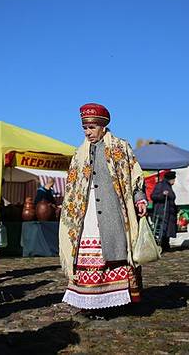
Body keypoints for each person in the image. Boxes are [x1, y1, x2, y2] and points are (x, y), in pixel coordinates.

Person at [59, 103, 147, 315]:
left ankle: (117, 300)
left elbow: (134, 177)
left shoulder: (120, 148)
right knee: (86, 257)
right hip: (86, 214)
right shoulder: (79, 153)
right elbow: (72, 185)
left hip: (113, 212)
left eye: (92, 128)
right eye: (85, 128)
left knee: (116, 253)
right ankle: (89, 302)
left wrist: (140, 199)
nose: (87, 132)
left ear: (103, 127)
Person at [151, 171, 179, 251]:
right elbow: (153, 196)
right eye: (174, 179)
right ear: (170, 179)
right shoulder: (160, 185)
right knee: (163, 228)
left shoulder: (168, 186)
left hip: (169, 212)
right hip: (162, 211)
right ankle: (161, 245)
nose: (174, 181)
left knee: (168, 229)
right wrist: (162, 195)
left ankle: (166, 245)